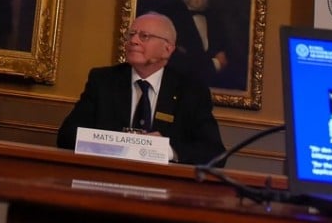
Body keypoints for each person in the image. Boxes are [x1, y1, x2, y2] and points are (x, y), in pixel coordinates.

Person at [56, 12, 224, 165]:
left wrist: (168, 151)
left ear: (167, 49)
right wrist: (117, 143)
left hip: (164, 187)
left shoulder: (190, 90)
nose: (133, 41)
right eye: (131, 35)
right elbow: (67, 136)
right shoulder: (104, 81)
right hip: (107, 177)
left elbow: (215, 154)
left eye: (144, 36)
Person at [153, 0, 236, 89]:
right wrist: (216, 64)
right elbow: (176, 65)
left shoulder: (219, 18)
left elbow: (232, 61)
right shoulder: (165, 17)